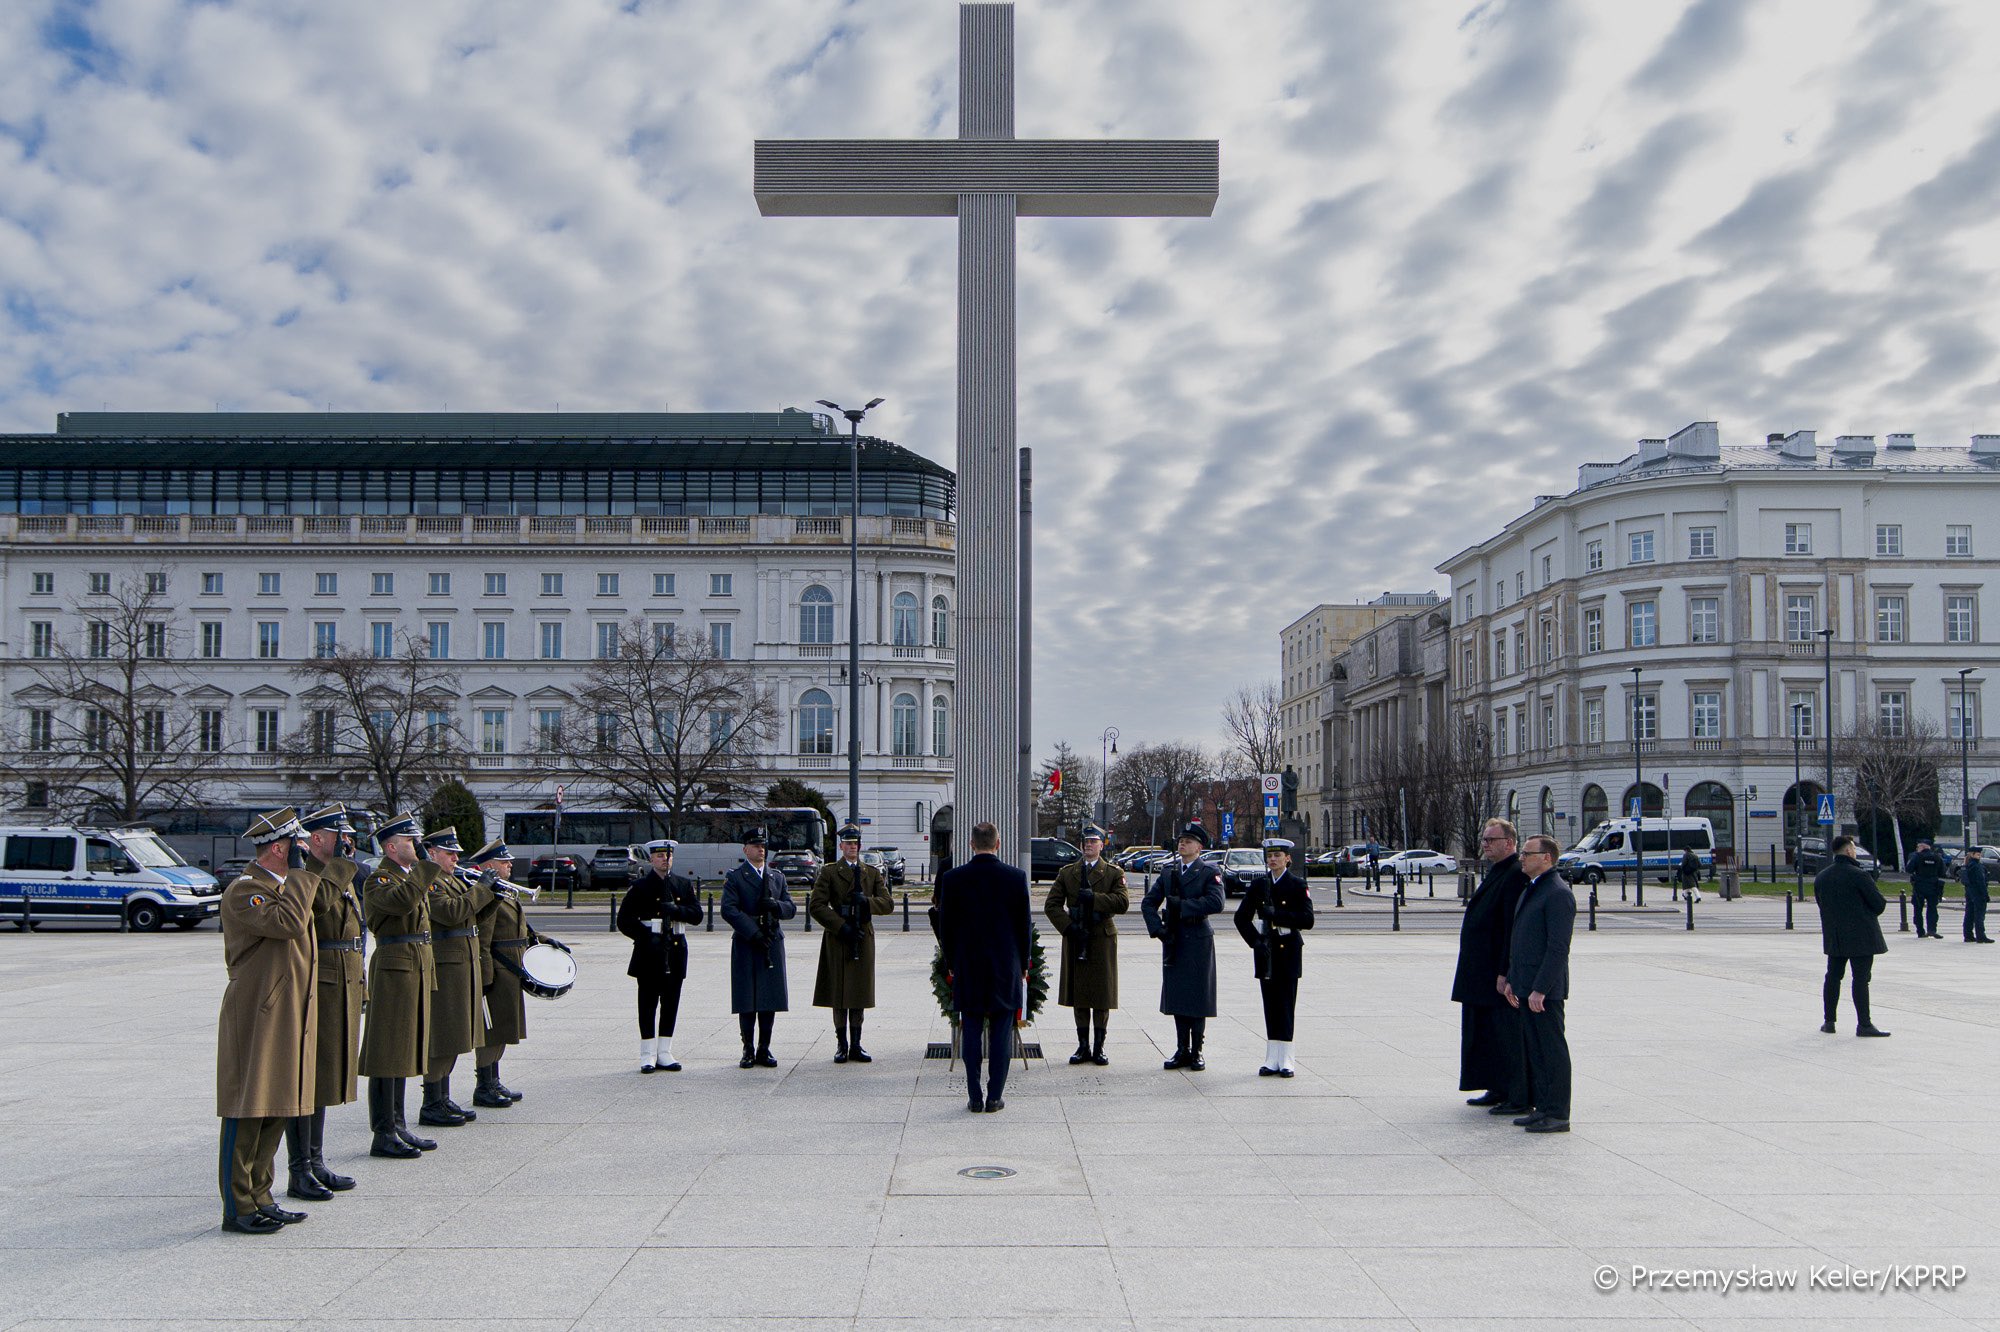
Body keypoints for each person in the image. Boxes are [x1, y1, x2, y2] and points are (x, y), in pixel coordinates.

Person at [215, 808, 319, 1234]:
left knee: (276, 1106)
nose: (304, 852)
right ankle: (237, 1207)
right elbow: (290, 924)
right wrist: (299, 875)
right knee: (246, 1107)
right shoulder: (246, 891)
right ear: (279, 848)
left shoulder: (281, 887)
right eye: (298, 846)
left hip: (284, 1010)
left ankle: (261, 1195)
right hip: (256, 1011)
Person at [283, 804, 363, 1202]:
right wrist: (344, 867)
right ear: (316, 839)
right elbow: (318, 906)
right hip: (321, 980)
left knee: (326, 1074)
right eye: (338, 836)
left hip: (341, 977)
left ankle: (315, 1161)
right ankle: (300, 1169)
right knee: (309, 1077)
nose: (346, 843)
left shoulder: (332, 872)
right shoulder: (307, 875)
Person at [935, 820, 1031, 1112]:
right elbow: (1023, 926)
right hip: (1005, 966)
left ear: (971, 844)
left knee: (971, 1027)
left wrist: (951, 963)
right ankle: (995, 1097)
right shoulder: (1016, 877)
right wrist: (1023, 964)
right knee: (1002, 1031)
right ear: (998, 844)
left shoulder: (953, 879)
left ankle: (974, 1096)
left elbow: (945, 928)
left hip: (969, 965)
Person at [358, 814, 437, 1158]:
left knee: (404, 1048)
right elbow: (402, 902)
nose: (416, 845)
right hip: (393, 968)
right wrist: (424, 867)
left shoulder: (406, 876)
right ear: (390, 847)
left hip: (414, 964)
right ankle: (383, 1130)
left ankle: (399, 1124)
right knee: (387, 1050)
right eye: (409, 841)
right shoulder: (379, 880)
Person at [1454, 819, 1530, 1115]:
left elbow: (1512, 928)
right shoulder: (1497, 870)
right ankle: (1496, 1086)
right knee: (1485, 1032)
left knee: (1505, 1034)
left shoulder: (1514, 875)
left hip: (1494, 974)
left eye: (1491, 840)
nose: (1485, 844)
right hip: (1479, 973)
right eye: (1484, 839)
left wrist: (1504, 971)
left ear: (1509, 843)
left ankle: (1515, 1092)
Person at [1502, 835, 1574, 1134]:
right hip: (1526, 985)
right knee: (1537, 1051)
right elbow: (1522, 940)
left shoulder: (1557, 893)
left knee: (1551, 1051)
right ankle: (1542, 1107)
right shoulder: (1533, 889)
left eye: (1527, 854)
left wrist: (1541, 988)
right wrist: (1511, 979)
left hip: (1544, 991)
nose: (1522, 858)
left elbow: (1558, 948)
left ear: (1546, 858)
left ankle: (1558, 1113)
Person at [1142, 822, 1225, 1071]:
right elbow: (1148, 903)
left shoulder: (1209, 872)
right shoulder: (1169, 873)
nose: (1182, 844)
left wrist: (1183, 906)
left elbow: (1216, 902)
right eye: (1181, 840)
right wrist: (1158, 929)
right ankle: (1182, 1049)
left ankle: (1197, 1051)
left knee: (1198, 997)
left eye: (1188, 841)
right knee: (1179, 996)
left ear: (1199, 847)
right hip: (1175, 939)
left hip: (1198, 939)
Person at [1045, 824, 1129, 1065]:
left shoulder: (1112, 872)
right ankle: (1083, 1045)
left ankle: (1099, 1046)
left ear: (1102, 845)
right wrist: (1069, 928)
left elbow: (1122, 903)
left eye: (1094, 841)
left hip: (1101, 935)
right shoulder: (1068, 872)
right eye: (1086, 842)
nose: (1089, 845)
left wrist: (1096, 899)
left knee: (1102, 993)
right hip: (1077, 934)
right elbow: (1051, 905)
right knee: (1080, 992)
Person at [810, 824, 895, 1063]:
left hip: (861, 936)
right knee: (839, 992)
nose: (852, 847)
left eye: (855, 843)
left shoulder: (871, 873)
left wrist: (866, 902)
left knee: (858, 992)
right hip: (839, 937)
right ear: (841, 846)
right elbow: (816, 905)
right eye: (848, 844)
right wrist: (840, 925)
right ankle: (841, 1044)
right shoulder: (829, 872)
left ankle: (856, 1043)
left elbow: (888, 904)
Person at [618, 839, 703, 1073]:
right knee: (647, 1004)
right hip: (649, 951)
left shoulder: (683, 885)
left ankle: (664, 1051)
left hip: (674, 950)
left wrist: (677, 911)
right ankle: (647, 1053)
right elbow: (624, 920)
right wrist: (646, 936)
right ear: (651, 859)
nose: (664, 859)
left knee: (670, 1002)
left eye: (668, 855)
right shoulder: (641, 887)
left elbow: (697, 915)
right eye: (659, 856)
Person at [420, 828, 485, 1128]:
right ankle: (432, 1100)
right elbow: (450, 912)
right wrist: (481, 890)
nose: (456, 858)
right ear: (432, 854)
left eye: (456, 853)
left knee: (458, 1033)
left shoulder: (454, 879)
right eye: (450, 853)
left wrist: (491, 895)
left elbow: (474, 917)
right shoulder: (432, 882)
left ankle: (442, 1096)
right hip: (447, 964)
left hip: (463, 962)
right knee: (445, 1033)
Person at [1233, 837, 1314, 1076]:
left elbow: (1307, 919)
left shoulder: (1297, 884)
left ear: (1288, 859)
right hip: (1267, 951)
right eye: (1269, 856)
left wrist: (1277, 914)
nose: (1273, 860)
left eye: (1278, 856)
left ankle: (1287, 1058)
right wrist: (1255, 942)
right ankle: (1272, 1057)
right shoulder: (1260, 885)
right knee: (1270, 1004)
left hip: (1288, 950)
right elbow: (1240, 918)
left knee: (1286, 1004)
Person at [720, 828, 797, 1068]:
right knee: (747, 997)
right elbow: (729, 909)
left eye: (763, 845)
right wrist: (753, 932)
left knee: (768, 997)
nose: (760, 849)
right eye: (755, 845)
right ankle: (748, 1049)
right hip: (747, 941)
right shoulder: (736, 877)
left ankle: (764, 1047)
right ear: (745, 850)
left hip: (772, 939)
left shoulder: (777, 877)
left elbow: (790, 908)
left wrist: (775, 906)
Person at [468, 839, 531, 1104]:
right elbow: (483, 938)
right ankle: (484, 1086)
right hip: (498, 967)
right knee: (492, 1030)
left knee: (504, 1028)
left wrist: (542, 940)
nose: (509, 865)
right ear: (488, 866)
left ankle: (493, 1080)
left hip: (511, 966)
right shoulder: (487, 894)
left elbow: (520, 928)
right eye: (504, 862)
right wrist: (485, 975)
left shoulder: (503, 892)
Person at [1815, 834, 1891, 1034]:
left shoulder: (1822, 877)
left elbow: (1821, 904)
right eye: (1854, 849)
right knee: (1861, 979)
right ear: (1849, 850)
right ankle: (1864, 1024)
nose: (1855, 852)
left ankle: (1829, 1021)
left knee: (1833, 977)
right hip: (1861, 936)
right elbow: (1879, 904)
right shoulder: (1859, 875)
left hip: (1835, 936)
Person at [1905, 841, 1947, 939]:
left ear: (1922, 847)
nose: (1917, 849)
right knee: (1932, 908)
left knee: (1918, 909)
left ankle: (1920, 931)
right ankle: (1932, 930)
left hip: (1919, 886)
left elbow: (1909, 869)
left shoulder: (1917, 856)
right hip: (1933, 886)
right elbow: (1943, 872)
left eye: (1917, 847)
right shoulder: (1937, 857)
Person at [1963, 845, 1992, 944]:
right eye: (1978, 854)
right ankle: (1981, 936)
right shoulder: (1976, 866)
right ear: (1972, 854)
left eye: (1980, 854)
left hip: (1970, 892)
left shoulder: (1968, 864)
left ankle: (1968, 935)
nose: (1979, 856)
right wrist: (1985, 895)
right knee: (1979, 915)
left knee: (1969, 914)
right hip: (1978, 893)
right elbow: (1980, 882)